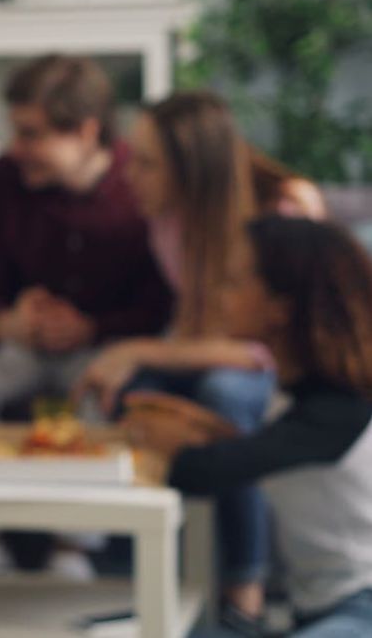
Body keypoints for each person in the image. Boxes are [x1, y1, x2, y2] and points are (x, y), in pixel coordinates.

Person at [75, 91, 274, 626]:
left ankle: (245, 590)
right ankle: (139, 569)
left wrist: (136, 347)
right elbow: (189, 325)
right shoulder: (166, 222)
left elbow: (256, 349)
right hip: (204, 350)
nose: (128, 176)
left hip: (262, 364)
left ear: (190, 171)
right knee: (124, 392)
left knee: (225, 398)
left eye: (145, 164)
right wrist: (128, 361)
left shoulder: (267, 220)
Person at [128, 216, 372, 637]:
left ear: (281, 306)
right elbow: (266, 446)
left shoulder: (340, 408)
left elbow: (202, 471)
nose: (222, 296)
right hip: (316, 612)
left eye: (236, 283)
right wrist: (194, 424)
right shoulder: (294, 392)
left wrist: (172, 442)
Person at [0, 54, 172, 421]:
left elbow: (160, 308)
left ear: (85, 132)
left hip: (104, 348)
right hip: (20, 347)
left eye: (31, 134)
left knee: (105, 400)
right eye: (14, 131)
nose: (15, 148)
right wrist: (8, 321)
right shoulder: (1, 178)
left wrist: (91, 328)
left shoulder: (140, 183)